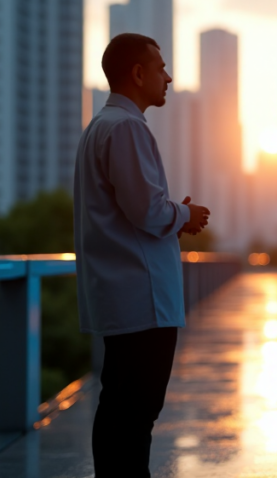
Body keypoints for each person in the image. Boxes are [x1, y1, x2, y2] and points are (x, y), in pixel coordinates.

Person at [73, 33, 210, 477]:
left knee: (118, 406)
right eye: (160, 67)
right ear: (137, 73)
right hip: (142, 300)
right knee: (135, 415)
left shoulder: (99, 127)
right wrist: (185, 213)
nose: (167, 77)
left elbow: (135, 210)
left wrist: (172, 215)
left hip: (120, 294)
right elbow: (145, 209)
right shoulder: (128, 128)